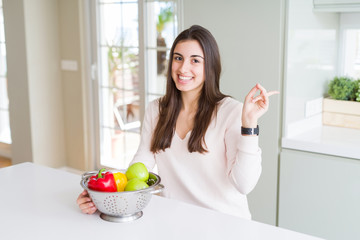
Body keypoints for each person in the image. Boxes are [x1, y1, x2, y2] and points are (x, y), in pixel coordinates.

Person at [77, 25, 279, 219]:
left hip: (225, 224)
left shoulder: (231, 111)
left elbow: (244, 184)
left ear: (210, 66)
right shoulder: (156, 110)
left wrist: (249, 123)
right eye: (178, 58)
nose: (183, 68)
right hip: (175, 220)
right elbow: (140, 168)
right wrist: (102, 195)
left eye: (195, 61)